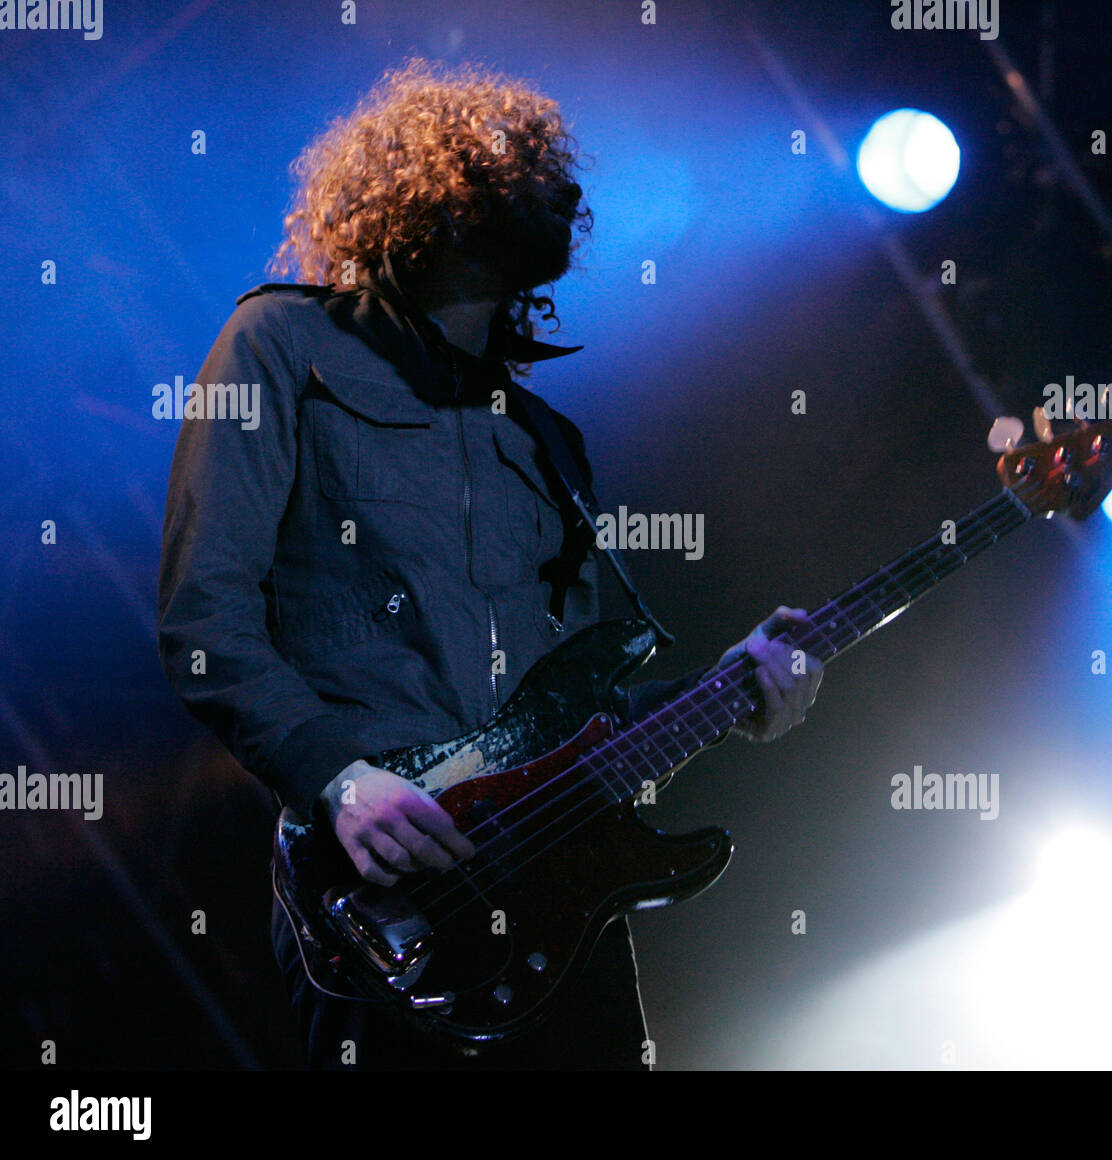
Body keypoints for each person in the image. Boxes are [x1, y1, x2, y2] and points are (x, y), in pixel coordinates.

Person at [157, 58, 822, 1070]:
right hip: (389, 903)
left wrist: (735, 688)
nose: (552, 185)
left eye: (552, 169)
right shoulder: (279, 345)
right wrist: (334, 777)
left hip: (564, 924)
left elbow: (566, 722)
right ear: (425, 188)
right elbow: (204, 617)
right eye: (511, 162)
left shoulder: (549, 442)